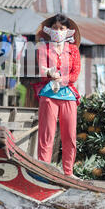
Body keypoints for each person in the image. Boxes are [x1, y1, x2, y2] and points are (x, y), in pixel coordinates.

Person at [32, 13, 81, 177]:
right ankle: (43, 171)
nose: (58, 30)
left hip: (68, 95)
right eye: (55, 27)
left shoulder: (73, 50)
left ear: (68, 31)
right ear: (49, 29)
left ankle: (68, 172)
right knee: (46, 136)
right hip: (48, 95)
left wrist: (63, 79)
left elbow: (75, 74)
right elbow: (42, 71)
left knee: (70, 136)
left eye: (62, 28)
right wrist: (51, 74)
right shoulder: (43, 48)